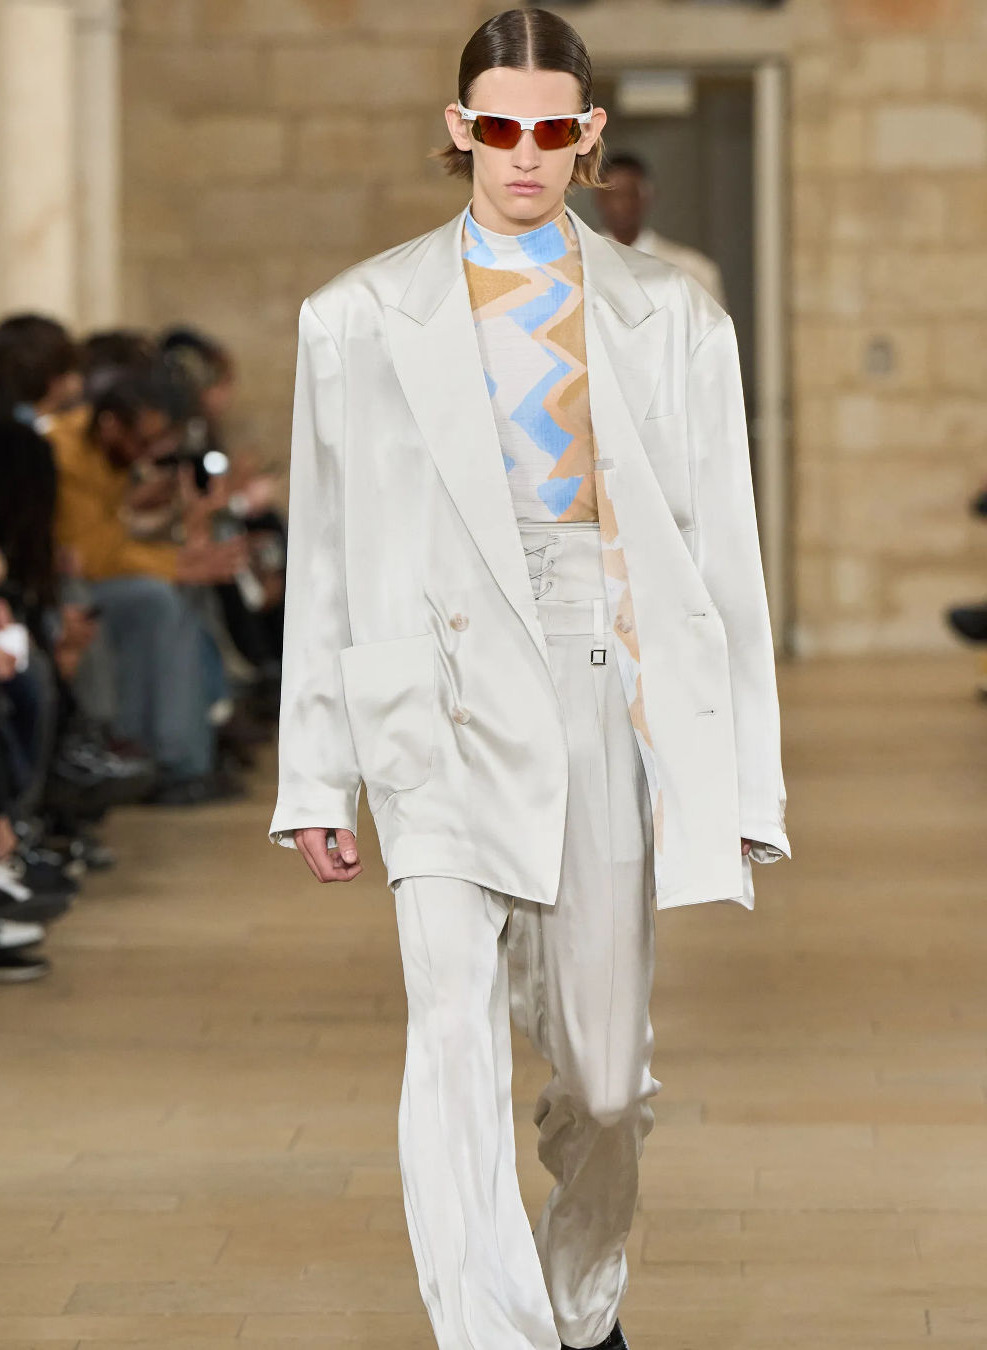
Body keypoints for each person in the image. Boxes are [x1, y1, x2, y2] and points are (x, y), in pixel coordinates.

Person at [269, 9, 790, 1349]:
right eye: (498, 125)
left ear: (588, 133)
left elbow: (723, 560)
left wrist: (743, 776)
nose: (523, 152)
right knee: (448, 1041)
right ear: (459, 129)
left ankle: (578, 1298)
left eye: (550, 128)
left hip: (598, 679)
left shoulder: (674, 316)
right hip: (431, 694)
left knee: (607, 1081)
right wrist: (316, 771)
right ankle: (490, 1334)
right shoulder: (355, 317)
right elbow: (324, 552)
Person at [47, 364, 246, 803]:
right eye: (142, 440)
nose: (146, 454)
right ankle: (162, 756)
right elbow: (92, 555)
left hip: (90, 578)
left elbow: (110, 536)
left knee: (175, 595)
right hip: (66, 585)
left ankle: (186, 757)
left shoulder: (106, 450)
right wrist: (176, 564)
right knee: (156, 598)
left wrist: (181, 553)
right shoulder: (65, 451)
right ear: (110, 423)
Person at [593, 150, 727, 309]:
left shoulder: (693, 271)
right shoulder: (578, 267)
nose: (622, 204)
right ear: (598, 198)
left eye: (630, 194)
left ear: (647, 197)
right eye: (613, 194)